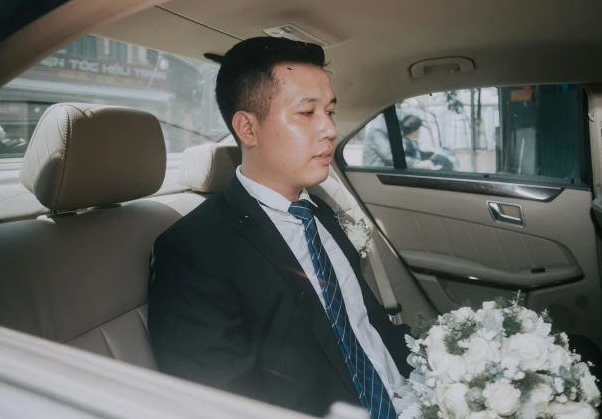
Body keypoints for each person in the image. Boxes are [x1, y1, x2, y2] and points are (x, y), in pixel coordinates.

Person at [148, 37, 411, 418]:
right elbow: (219, 404)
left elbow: (366, 328)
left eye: (330, 112)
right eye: (306, 113)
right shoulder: (194, 249)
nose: (329, 130)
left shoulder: (320, 211)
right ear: (248, 129)